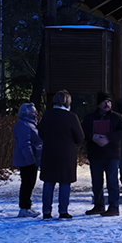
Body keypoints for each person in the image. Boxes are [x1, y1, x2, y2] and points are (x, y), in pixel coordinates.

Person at [37, 90, 85, 220]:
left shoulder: (47, 115)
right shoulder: (71, 117)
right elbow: (80, 137)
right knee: (65, 182)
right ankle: (63, 211)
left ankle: (46, 211)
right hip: (66, 154)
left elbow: (41, 134)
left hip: (49, 152)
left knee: (48, 182)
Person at [82, 92, 122, 217]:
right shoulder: (89, 118)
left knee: (112, 181)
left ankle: (114, 206)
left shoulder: (117, 117)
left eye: (109, 101)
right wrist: (93, 137)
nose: (107, 104)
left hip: (112, 154)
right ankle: (99, 205)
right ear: (98, 104)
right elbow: (82, 132)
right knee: (96, 182)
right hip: (95, 154)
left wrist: (109, 137)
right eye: (104, 101)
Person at [12, 102, 43, 217]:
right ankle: (24, 207)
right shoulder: (23, 125)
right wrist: (31, 160)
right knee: (27, 183)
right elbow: (24, 144)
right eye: (33, 111)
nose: (35, 113)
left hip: (32, 158)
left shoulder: (31, 123)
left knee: (30, 182)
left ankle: (27, 206)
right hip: (27, 159)